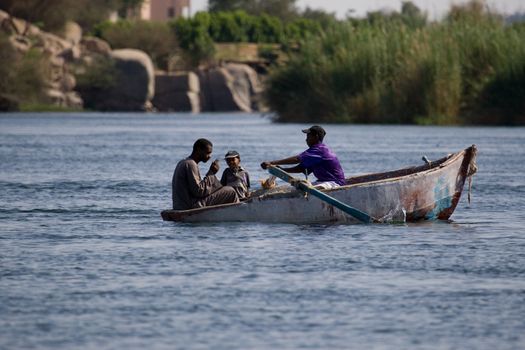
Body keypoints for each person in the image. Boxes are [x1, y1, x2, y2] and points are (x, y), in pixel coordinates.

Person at [260, 125, 346, 189]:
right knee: (290, 189)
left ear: (315, 137)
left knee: (304, 189)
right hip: (323, 182)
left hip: (335, 183)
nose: (306, 139)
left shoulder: (320, 150)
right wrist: (281, 170)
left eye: (308, 136)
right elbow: (301, 168)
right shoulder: (314, 153)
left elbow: (297, 159)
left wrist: (271, 163)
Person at [172, 138, 239, 210]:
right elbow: (199, 191)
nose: (209, 156)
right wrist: (211, 172)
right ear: (198, 150)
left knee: (223, 188)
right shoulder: (191, 164)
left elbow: (197, 189)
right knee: (230, 191)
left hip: (180, 205)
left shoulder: (183, 162)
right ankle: (239, 211)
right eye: (208, 153)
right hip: (190, 205)